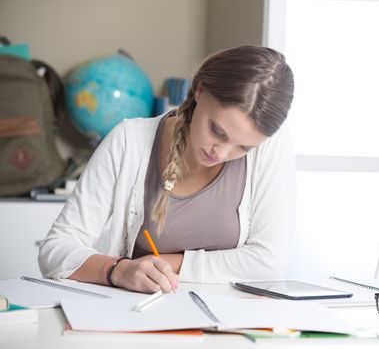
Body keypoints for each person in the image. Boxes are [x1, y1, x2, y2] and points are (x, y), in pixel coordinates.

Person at [38, 45, 296, 294]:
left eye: (243, 147)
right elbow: (55, 251)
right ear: (200, 90)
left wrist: (167, 264)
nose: (221, 153)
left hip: (229, 324)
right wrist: (119, 270)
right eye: (217, 131)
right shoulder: (128, 141)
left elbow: (268, 263)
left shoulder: (270, 146)